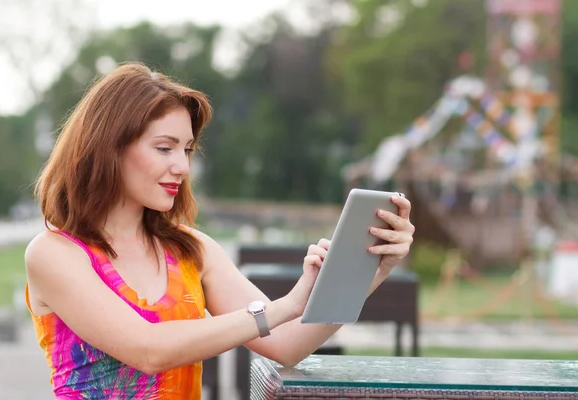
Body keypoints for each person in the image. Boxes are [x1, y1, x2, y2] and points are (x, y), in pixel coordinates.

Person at [24, 62, 415, 399]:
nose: (182, 166)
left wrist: (371, 267)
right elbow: (147, 351)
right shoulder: (54, 253)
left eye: (187, 150)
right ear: (108, 147)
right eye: (165, 148)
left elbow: (285, 344)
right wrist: (282, 307)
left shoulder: (191, 250)